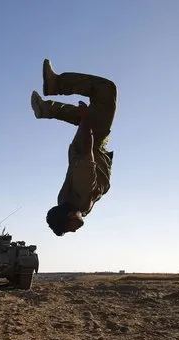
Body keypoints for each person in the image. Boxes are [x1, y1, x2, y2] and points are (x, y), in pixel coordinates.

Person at [30, 59, 117, 236]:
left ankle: (56, 86)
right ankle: (46, 109)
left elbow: (86, 151)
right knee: (96, 112)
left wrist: (86, 121)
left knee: (106, 91)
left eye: (70, 228)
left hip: (92, 144)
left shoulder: (81, 193)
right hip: (91, 148)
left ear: (71, 215)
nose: (75, 230)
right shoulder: (64, 202)